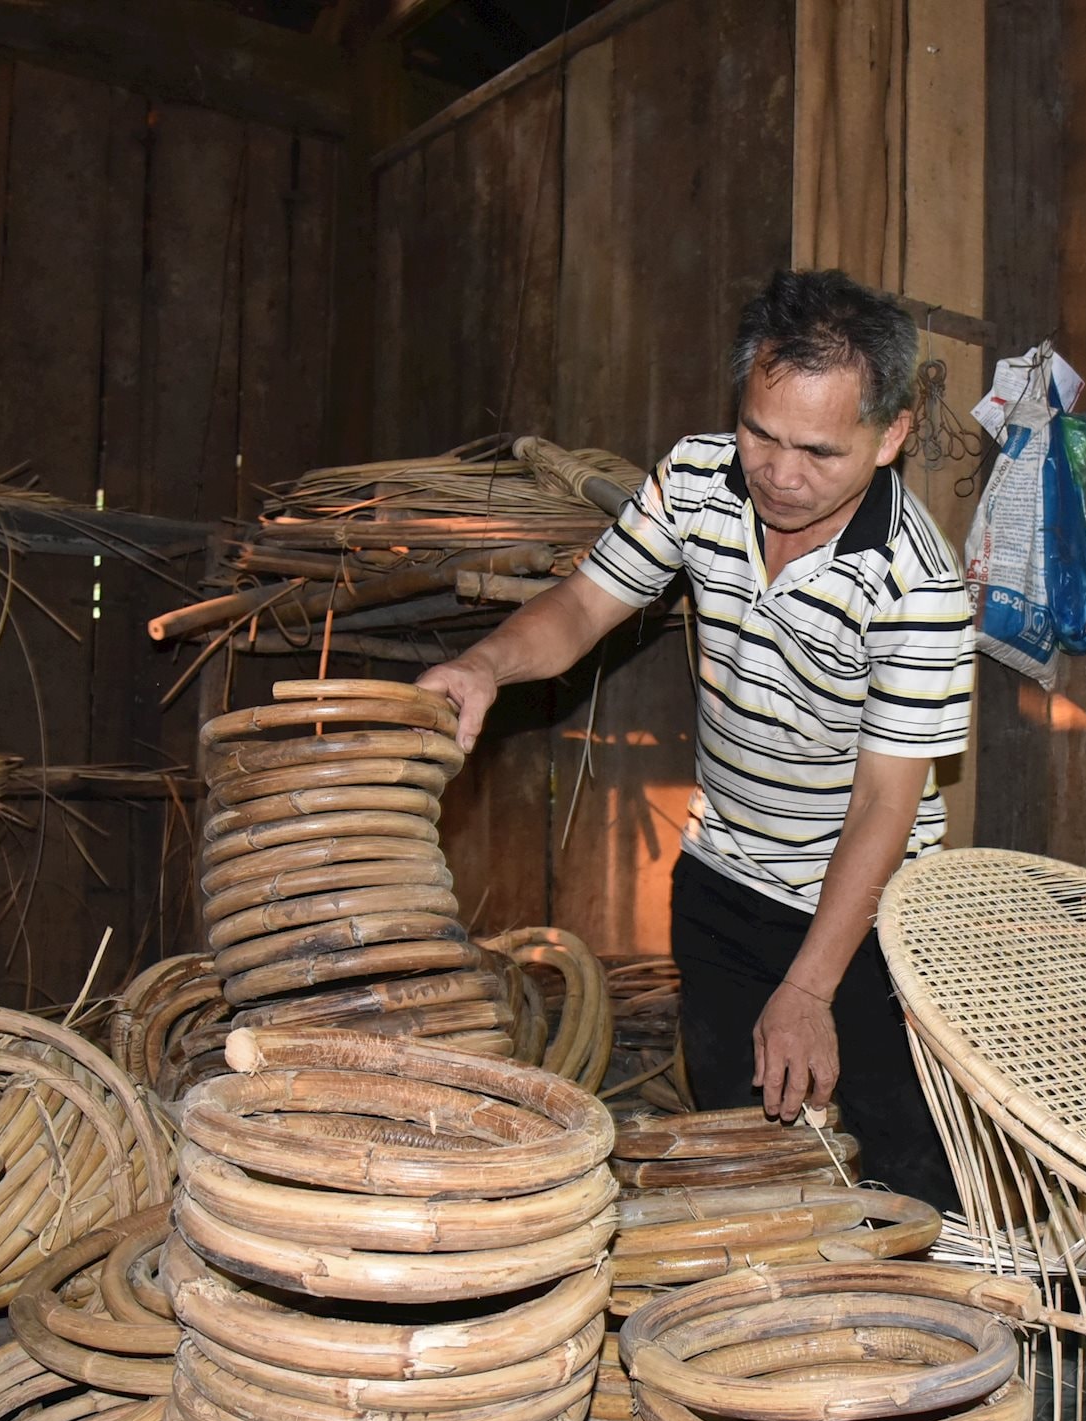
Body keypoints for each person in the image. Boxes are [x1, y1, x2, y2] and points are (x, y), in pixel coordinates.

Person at [417, 269, 975, 1212]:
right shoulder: (697, 476)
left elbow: (886, 802)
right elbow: (587, 605)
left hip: (872, 916)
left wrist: (809, 987)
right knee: (743, 1165)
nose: (779, 473)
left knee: (899, 1185)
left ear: (891, 437)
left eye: (818, 451)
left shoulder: (917, 587)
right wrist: (485, 665)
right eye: (761, 432)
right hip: (724, 880)